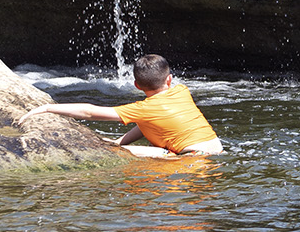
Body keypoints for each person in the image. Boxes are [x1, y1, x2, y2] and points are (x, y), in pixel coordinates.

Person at [19, 54, 224, 158]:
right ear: (169, 79)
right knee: (118, 145)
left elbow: (89, 111)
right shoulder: (182, 91)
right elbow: (148, 123)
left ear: (136, 85)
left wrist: (46, 108)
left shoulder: (143, 108)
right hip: (217, 149)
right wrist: (119, 140)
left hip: (192, 159)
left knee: (112, 150)